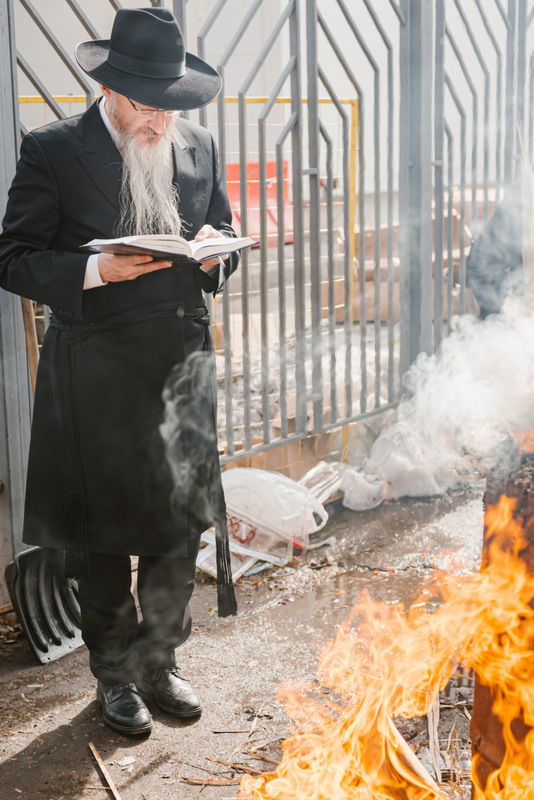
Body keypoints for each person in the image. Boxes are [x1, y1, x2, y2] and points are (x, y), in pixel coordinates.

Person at [0, 7, 237, 736]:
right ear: (109, 89)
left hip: (181, 368)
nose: (160, 120)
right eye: (146, 104)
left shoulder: (198, 144)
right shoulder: (54, 151)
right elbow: (13, 258)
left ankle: (161, 660)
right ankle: (113, 676)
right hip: (95, 373)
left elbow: (223, 229)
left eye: (170, 104)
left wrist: (222, 250)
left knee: (178, 528)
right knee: (100, 537)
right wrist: (96, 269)